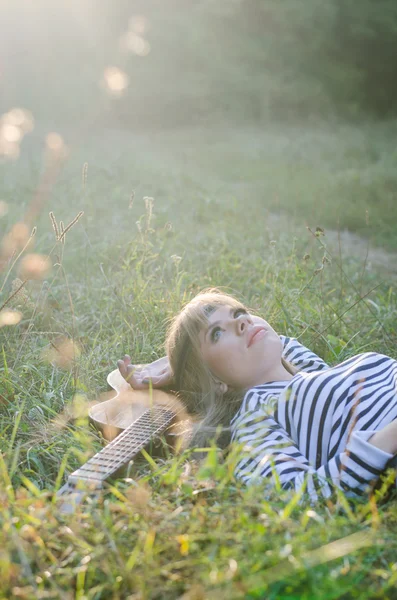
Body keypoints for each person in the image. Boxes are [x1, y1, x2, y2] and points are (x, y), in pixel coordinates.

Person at [118, 289, 397, 503]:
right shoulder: (256, 418)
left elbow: (282, 342)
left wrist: (174, 372)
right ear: (212, 381)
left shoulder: (314, 373)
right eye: (216, 333)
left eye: (238, 312)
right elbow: (295, 496)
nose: (242, 323)